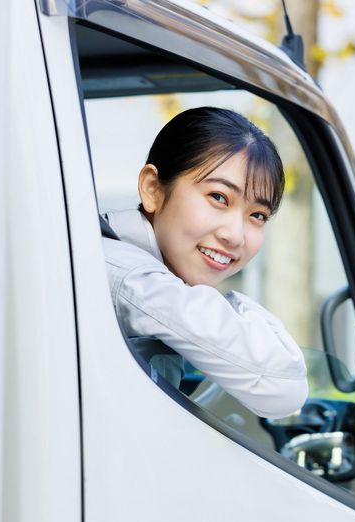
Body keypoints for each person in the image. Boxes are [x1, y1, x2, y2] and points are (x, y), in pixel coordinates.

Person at [101, 107, 308, 419]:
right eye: (219, 197)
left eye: (257, 215)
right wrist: (229, 304)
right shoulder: (128, 276)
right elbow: (283, 385)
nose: (235, 235)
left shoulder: (134, 266)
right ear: (153, 189)